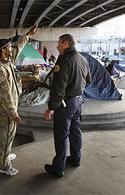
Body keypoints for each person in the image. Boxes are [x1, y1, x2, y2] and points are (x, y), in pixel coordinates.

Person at [0, 24, 38, 176]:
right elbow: (5, 97)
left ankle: (5, 155)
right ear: (3, 50)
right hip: (6, 111)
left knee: (9, 136)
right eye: (9, 47)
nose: (12, 48)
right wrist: (14, 114)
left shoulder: (8, 60)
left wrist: (28, 34)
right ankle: (4, 166)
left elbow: (19, 45)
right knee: (6, 137)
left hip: (10, 108)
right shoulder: (0, 70)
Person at [44, 34, 91, 178]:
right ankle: (76, 159)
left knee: (61, 135)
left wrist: (51, 107)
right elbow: (88, 81)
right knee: (75, 131)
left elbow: (58, 87)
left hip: (65, 105)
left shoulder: (64, 60)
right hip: (78, 102)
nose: (57, 46)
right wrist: (76, 90)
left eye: (59, 43)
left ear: (65, 43)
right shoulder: (83, 58)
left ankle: (58, 168)